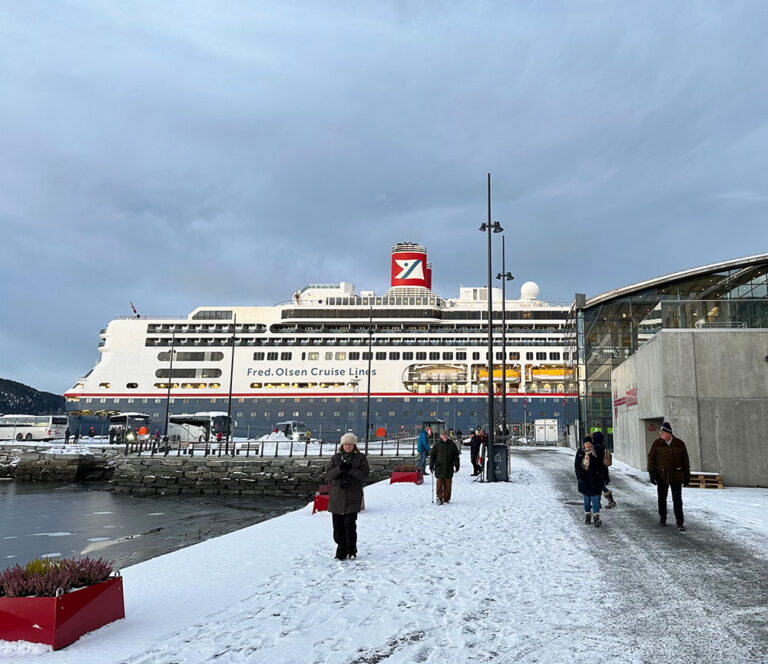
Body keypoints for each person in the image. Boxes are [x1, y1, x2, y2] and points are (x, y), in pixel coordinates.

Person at [325, 432, 370, 560]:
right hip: (337, 497)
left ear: (354, 446)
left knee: (349, 526)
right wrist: (340, 469)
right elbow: (328, 476)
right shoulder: (336, 458)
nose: (347, 447)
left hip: (352, 497)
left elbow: (364, 475)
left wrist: (350, 470)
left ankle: (350, 550)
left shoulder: (361, 458)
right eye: (345, 444)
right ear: (342, 445)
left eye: (350, 444)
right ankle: (341, 547)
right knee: (337, 528)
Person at [647, 422, 690, 531]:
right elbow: (651, 459)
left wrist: (687, 476)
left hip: (676, 476)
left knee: (677, 499)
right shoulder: (657, 444)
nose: (661, 434)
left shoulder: (679, 444)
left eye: (663, 432)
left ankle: (679, 522)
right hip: (661, 475)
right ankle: (663, 517)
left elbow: (685, 461)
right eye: (660, 432)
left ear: (668, 433)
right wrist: (652, 473)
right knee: (662, 498)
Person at [575, 436, 605, 528]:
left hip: (595, 480)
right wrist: (579, 478)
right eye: (586, 443)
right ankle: (588, 516)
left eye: (589, 443)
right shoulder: (580, 453)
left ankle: (596, 517)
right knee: (587, 501)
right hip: (584, 480)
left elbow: (600, 465)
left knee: (595, 500)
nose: (588, 445)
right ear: (583, 444)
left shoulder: (595, 453)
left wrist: (602, 476)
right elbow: (577, 466)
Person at [429, 430, 460, 504]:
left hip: (449, 467)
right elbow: (432, 456)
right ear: (441, 436)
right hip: (439, 467)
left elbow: (456, 455)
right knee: (439, 484)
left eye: (446, 435)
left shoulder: (452, 444)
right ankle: (439, 497)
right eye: (443, 435)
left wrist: (457, 465)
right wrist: (431, 465)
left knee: (448, 484)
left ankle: (446, 498)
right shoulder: (437, 444)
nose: (445, 436)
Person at [591, 431, 617, 509]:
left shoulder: (596, 447)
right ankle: (598, 503)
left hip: (598, 471)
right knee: (599, 486)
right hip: (603, 470)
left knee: (599, 486)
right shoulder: (602, 446)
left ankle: (611, 501)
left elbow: (597, 460)